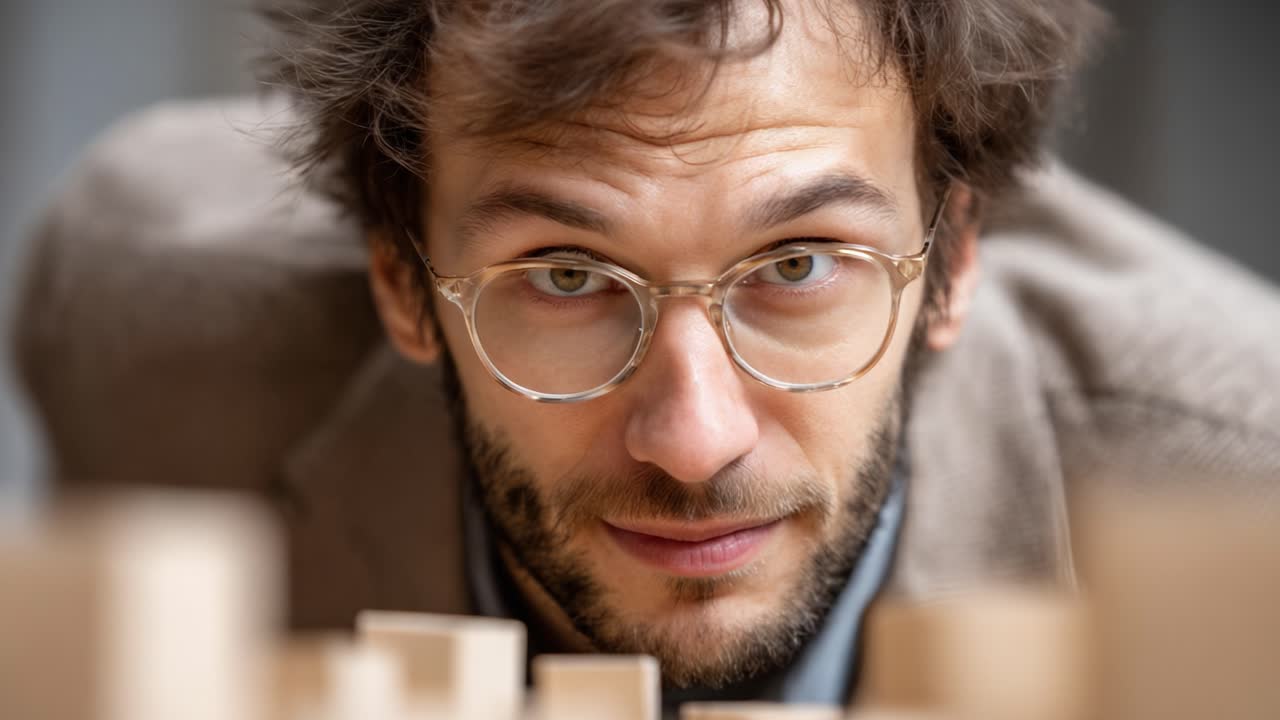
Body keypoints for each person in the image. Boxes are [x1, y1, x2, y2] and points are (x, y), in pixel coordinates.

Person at [15, 0, 1280, 710]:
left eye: (796, 266)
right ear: (402, 283)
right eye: (565, 276)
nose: (691, 435)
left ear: (949, 264)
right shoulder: (156, 340)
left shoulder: (1238, 482)